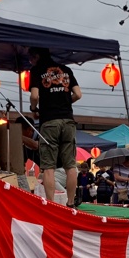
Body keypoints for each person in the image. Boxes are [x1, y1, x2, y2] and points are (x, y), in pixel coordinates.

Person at [28, 47, 81, 207]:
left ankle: (52, 205)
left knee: (48, 167)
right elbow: (78, 94)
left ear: (37, 56)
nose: (30, 61)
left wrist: (34, 108)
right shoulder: (66, 70)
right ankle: (70, 202)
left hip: (49, 121)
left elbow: (34, 96)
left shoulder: (36, 70)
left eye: (31, 58)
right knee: (70, 165)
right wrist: (64, 102)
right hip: (68, 120)